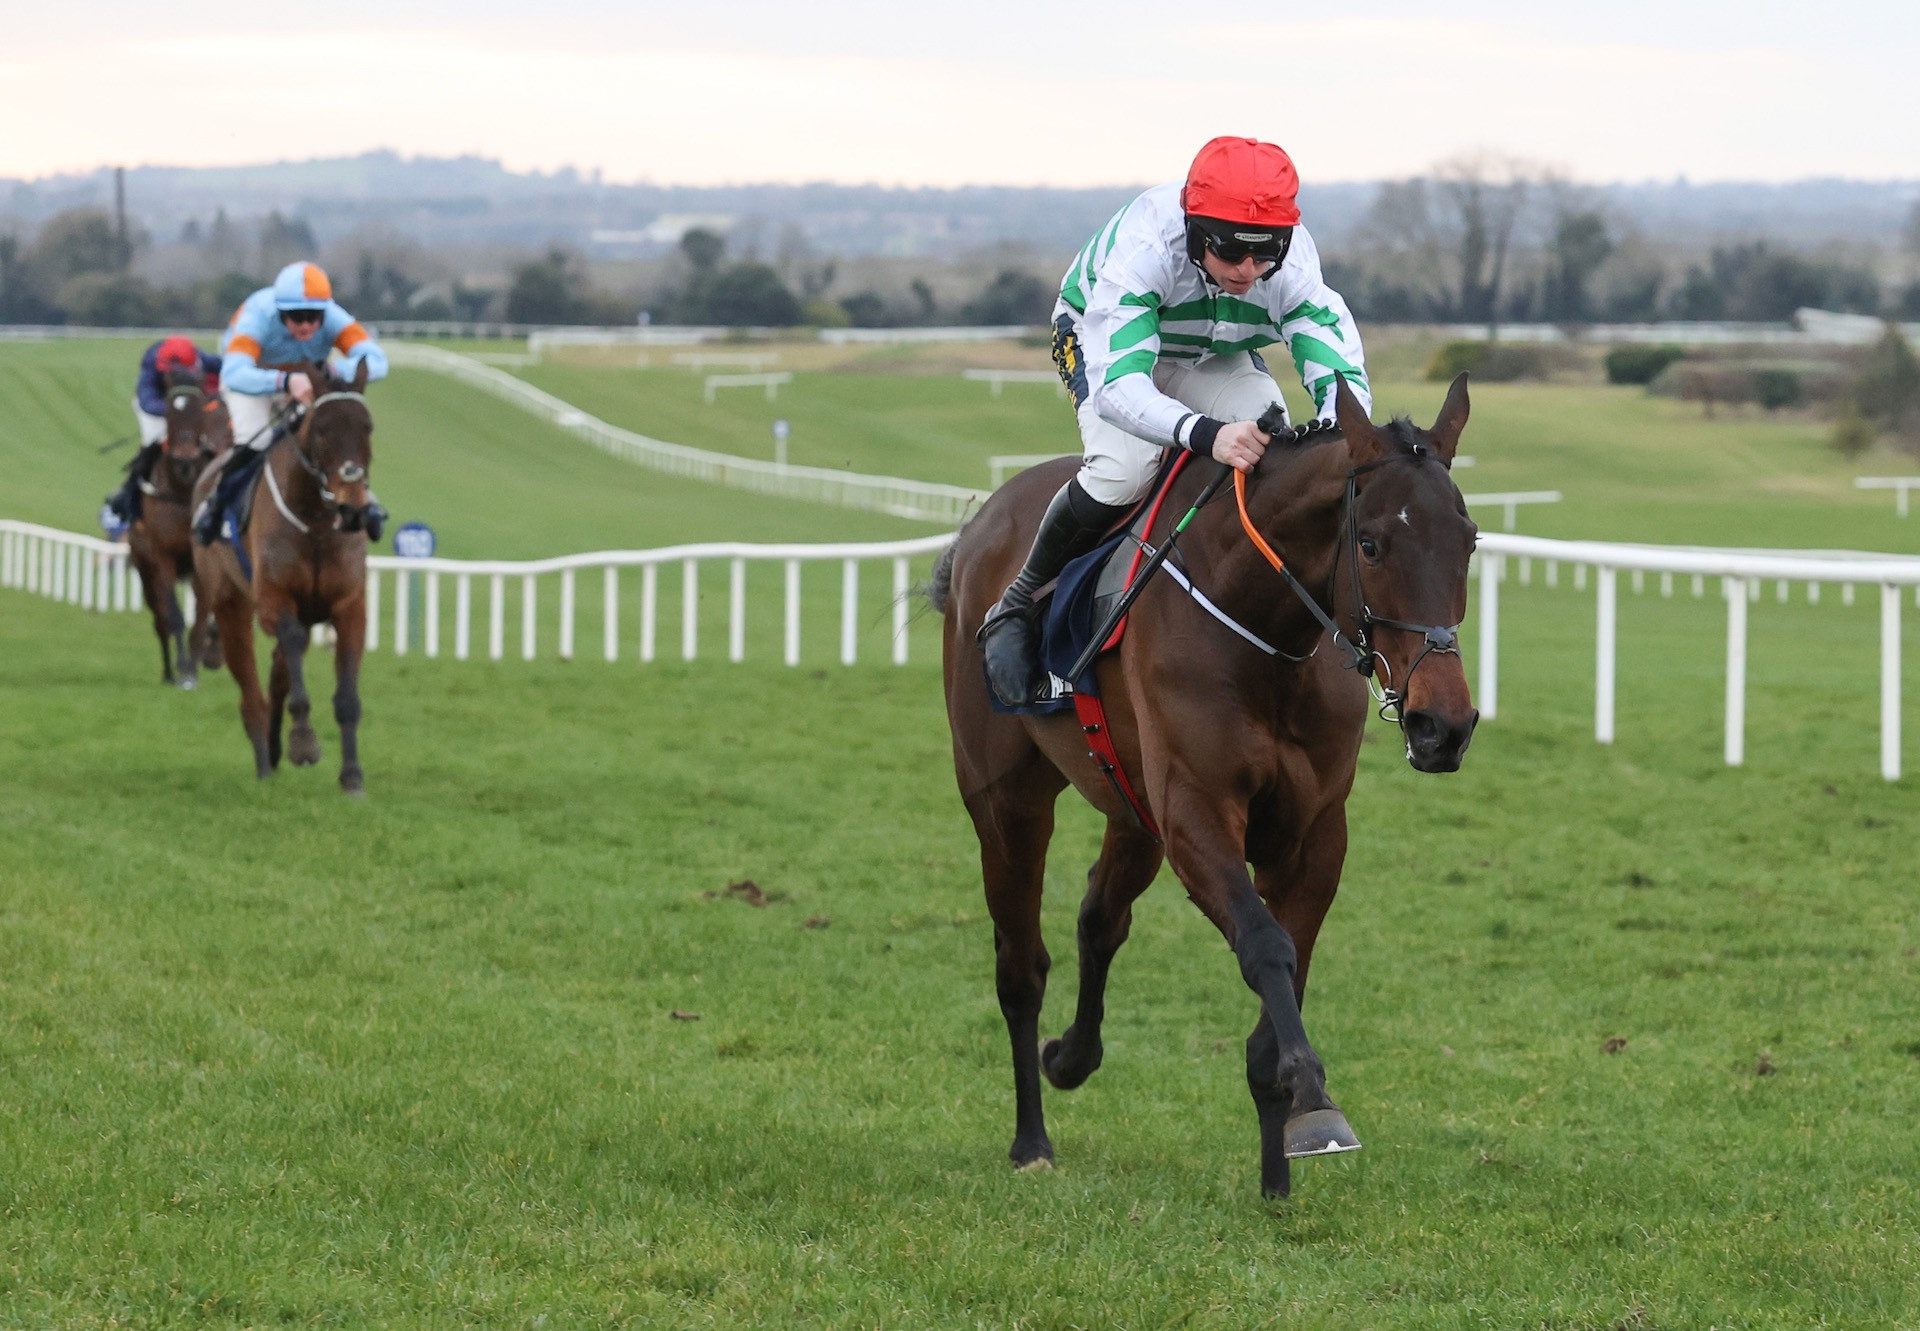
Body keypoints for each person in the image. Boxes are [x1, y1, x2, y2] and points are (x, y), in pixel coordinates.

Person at [977, 135, 1374, 707]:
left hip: (1211, 353)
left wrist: (1344, 433)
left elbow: (1337, 373)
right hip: (1104, 343)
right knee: (1125, 469)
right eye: (1231, 253)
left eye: (1264, 255)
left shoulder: (1294, 265)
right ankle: (1014, 603)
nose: (1247, 270)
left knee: (1276, 455)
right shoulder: (1146, 249)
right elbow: (1122, 389)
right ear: (1194, 231)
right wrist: (1207, 434)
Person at [193, 260, 389, 544]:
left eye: (314, 316)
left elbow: (377, 361)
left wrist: (335, 372)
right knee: (255, 440)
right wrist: (284, 382)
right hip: (252, 381)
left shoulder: (335, 317)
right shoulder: (257, 314)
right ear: (280, 312)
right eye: (297, 317)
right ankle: (216, 506)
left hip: (304, 380)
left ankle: (362, 499)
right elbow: (234, 373)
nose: (307, 325)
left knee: (335, 432)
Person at [102, 335, 223, 525]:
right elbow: (146, 399)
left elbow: (227, 368)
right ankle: (128, 494)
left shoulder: (200, 358)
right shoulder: (152, 362)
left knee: (213, 438)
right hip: (158, 407)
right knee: (152, 442)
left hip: (188, 405)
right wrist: (174, 411)